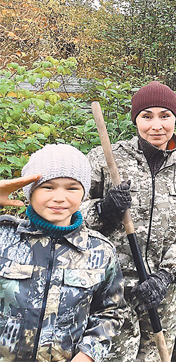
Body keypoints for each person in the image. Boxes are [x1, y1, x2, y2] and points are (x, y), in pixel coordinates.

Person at [81, 81, 176, 361]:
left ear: (175, 119)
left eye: (165, 116)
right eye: (147, 116)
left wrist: (166, 276)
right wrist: (103, 209)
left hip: (161, 293)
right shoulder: (105, 159)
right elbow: (71, 213)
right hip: (112, 290)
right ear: (136, 119)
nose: (156, 125)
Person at [0, 144, 125, 362]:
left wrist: (88, 355)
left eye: (72, 188)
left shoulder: (100, 250)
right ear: (30, 191)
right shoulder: (4, 237)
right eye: (48, 187)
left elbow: (110, 312)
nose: (60, 197)